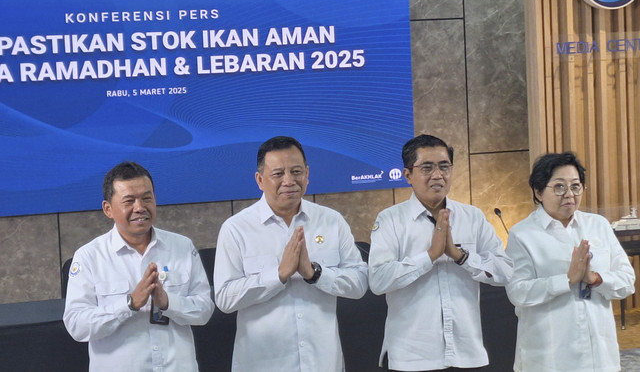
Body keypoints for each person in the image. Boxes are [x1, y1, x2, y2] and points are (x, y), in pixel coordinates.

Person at [214, 136, 368, 371]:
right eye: (278, 174)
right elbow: (225, 298)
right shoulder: (236, 228)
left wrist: (315, 274)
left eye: (296, 171)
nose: (289, 181)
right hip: (262, 364)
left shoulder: (331, 221)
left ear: (307, 173)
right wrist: (278, 275)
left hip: (323, 362)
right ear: (260, 180)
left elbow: (359, 283)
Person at [369, 134, 513, 371]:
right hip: (412, 357)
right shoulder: (390, 220)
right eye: (427, 168)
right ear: (407, 175)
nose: (438, 175)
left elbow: (506, 271)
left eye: (444, 167)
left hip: (467, 353)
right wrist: (429, 257)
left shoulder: (472, 217)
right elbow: (378, 280)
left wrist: (461, 257)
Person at [63, 162, 214, 372]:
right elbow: (76, 325)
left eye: (146, 198)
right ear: (108, 209)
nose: (140, 207)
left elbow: (205, 310)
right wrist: (129, 305)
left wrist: (168, 302)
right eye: (129, 201)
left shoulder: (182, 246)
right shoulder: (89, 257)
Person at [505, 152, 635, 371]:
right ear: (538, 191)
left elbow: (627, 280)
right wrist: (566, 280)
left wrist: (595, 279)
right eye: (559, 187)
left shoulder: (598, 225)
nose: (569, 194)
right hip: (550, 357)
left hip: (599, 355)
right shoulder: (523, 234)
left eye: (576, 186)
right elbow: (517, 291)